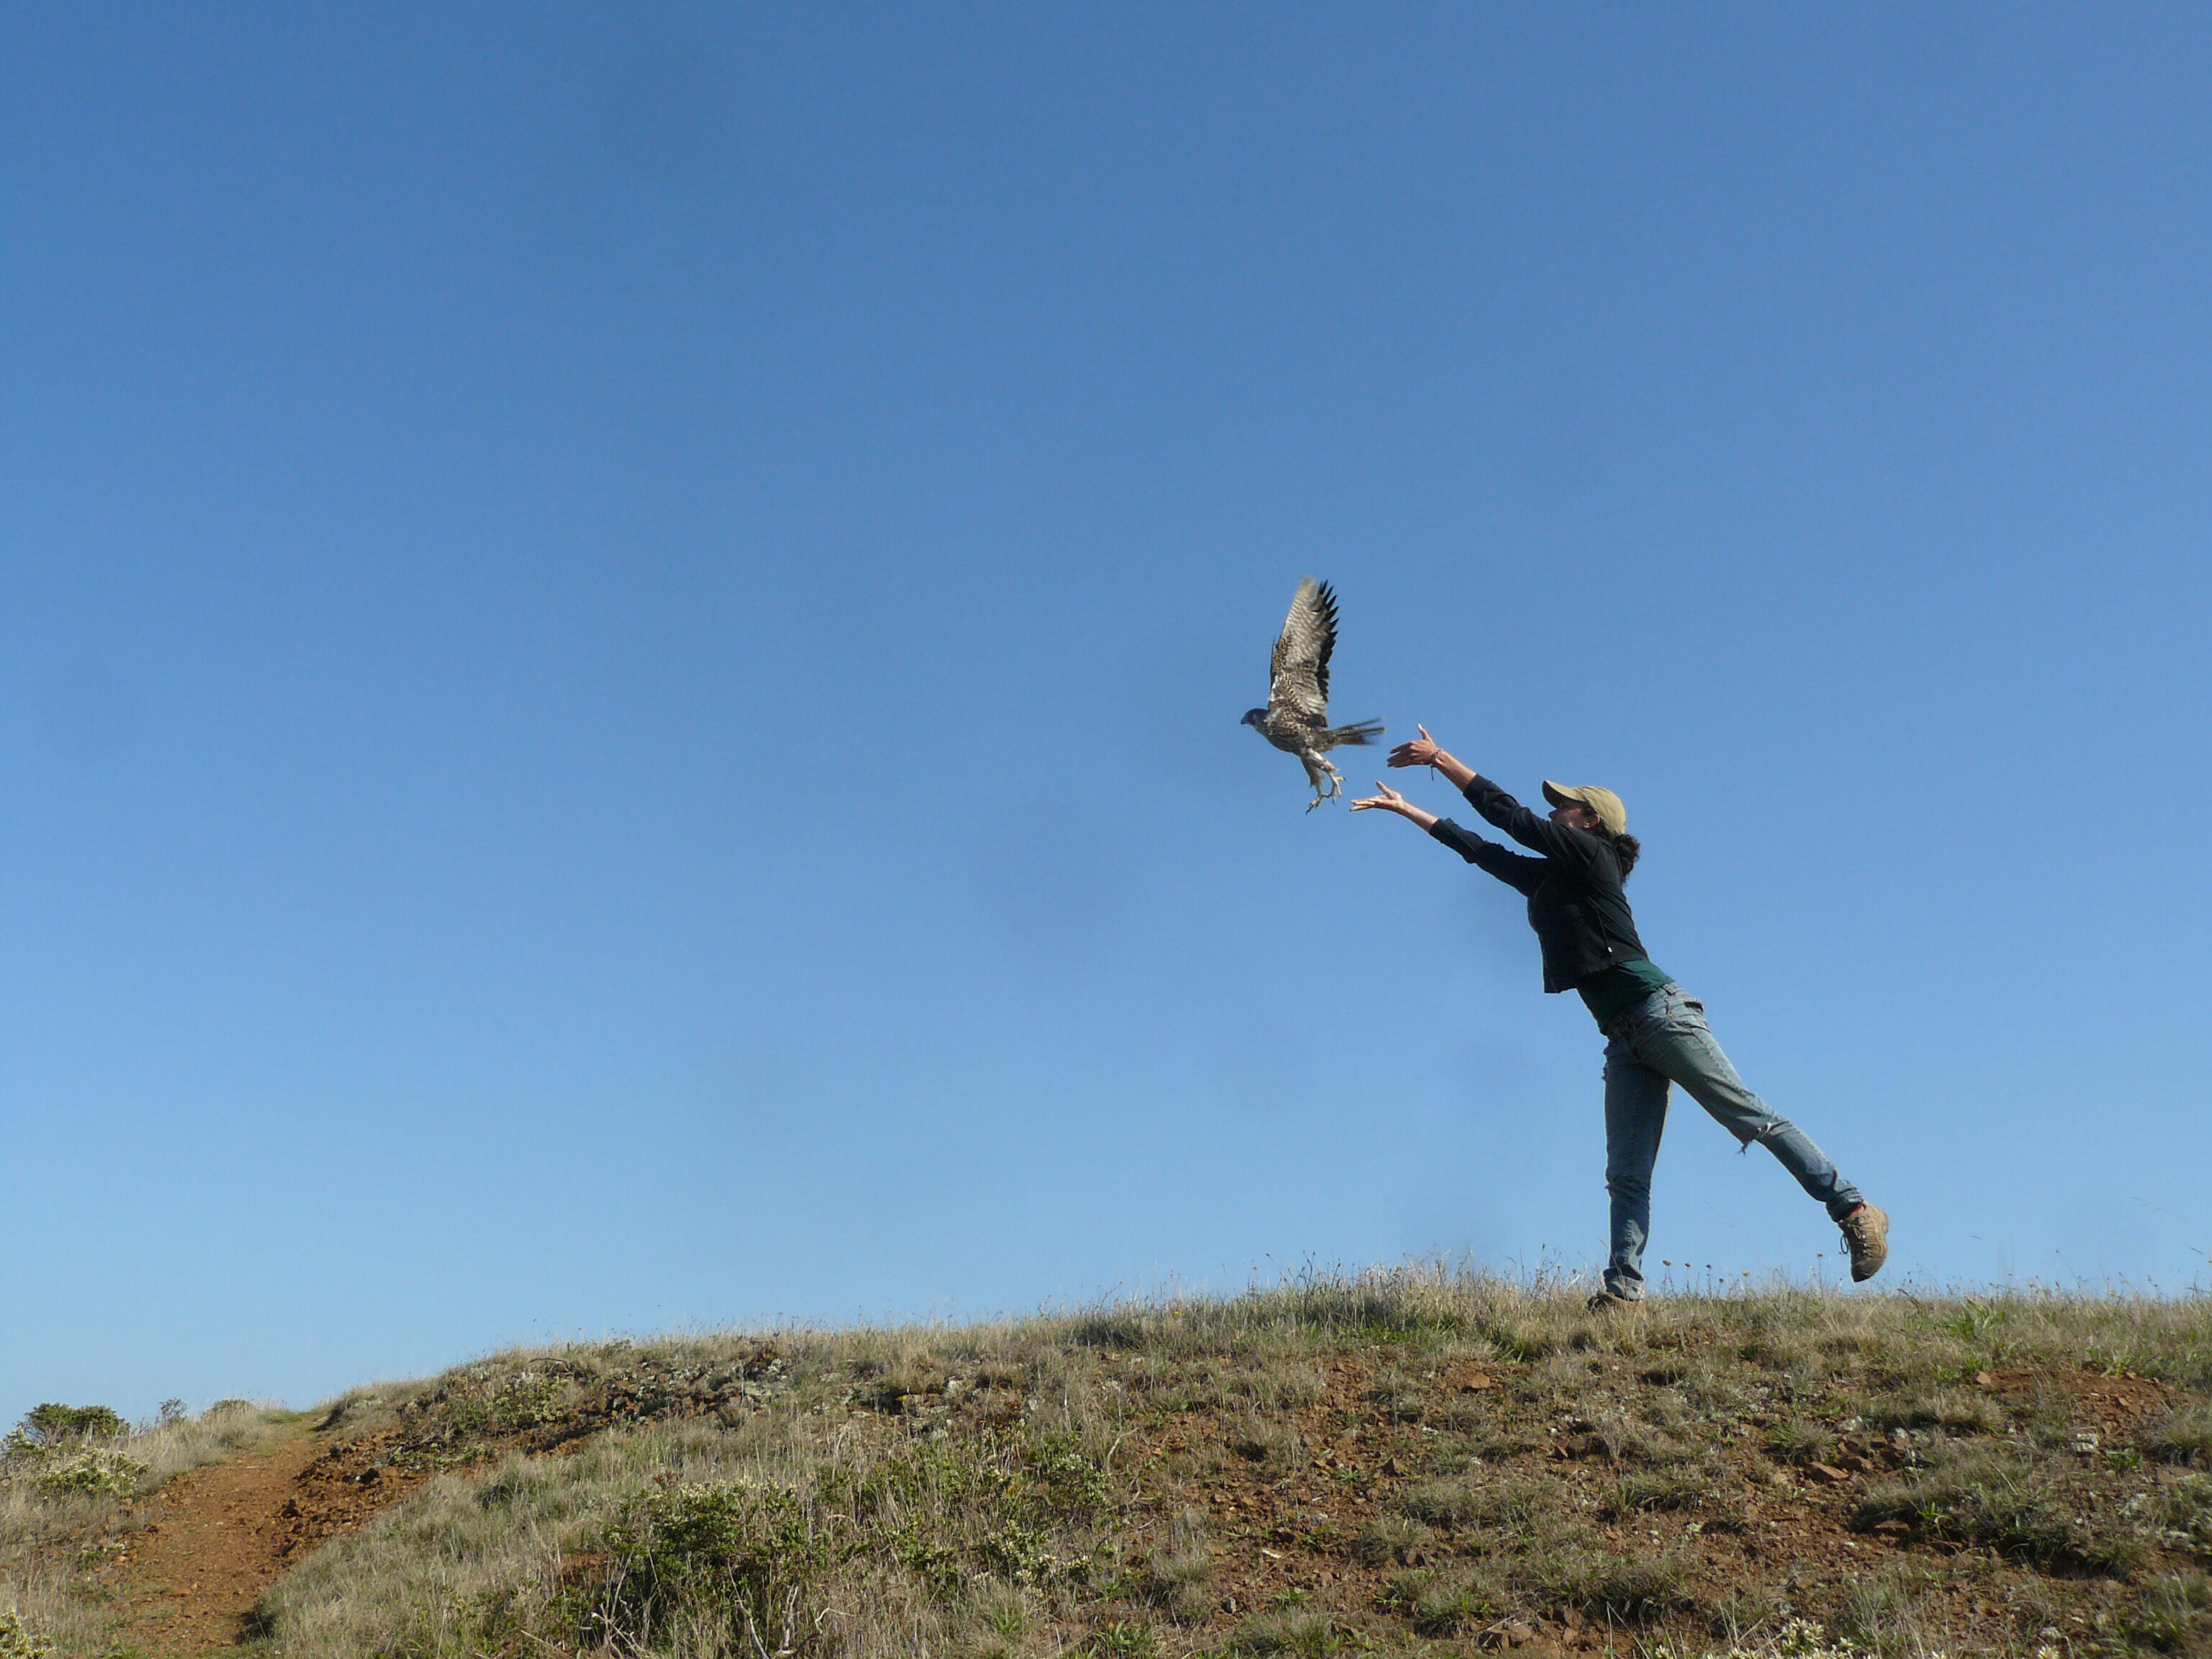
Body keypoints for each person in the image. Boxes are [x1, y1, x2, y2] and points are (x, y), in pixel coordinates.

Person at [1351, 727, 1887, 1305]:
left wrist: (1442, 759)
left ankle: (1854, 1209)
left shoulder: (1593, 855)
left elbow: (1509, 817)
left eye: (1565, 805)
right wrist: (1410, 811)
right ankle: (1623, 1292)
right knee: (1626, 1175)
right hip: (1622, 1037)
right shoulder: (1556, 878)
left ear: (1590, 821)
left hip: (1662, 1016)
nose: (1554, 811)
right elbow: (1485, 852)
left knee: (1748, 1117)